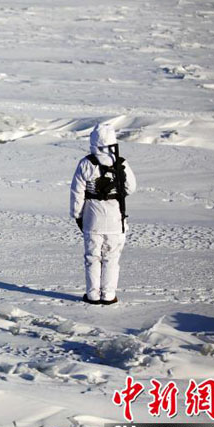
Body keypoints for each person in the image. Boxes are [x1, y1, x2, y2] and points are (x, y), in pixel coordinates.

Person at [70, 124, 136, 305]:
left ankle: (92, 295)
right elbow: (131, 187)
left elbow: (77, 193)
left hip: (92, 219)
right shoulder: (121, 163)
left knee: (92, 257)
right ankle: (108, 295)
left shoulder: (86, 163)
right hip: (115, 219)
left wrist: (77, 214)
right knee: (111, 259)